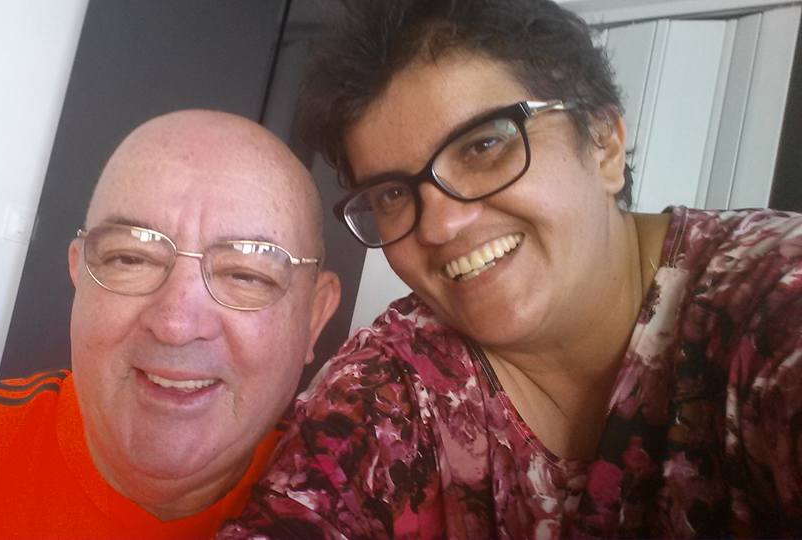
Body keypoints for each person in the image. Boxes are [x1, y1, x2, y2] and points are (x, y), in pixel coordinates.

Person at [219, 0, 802, 538]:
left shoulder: (767, 298)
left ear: (604, 142)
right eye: (393, 193)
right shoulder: (393, 383)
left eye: (482, 147)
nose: (440, 226)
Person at [0, 110, 341, 539]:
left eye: (246, 275)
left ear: (315, 317)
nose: (175, 324)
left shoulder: (353, 505)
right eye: (130, 259)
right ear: (79, 274)